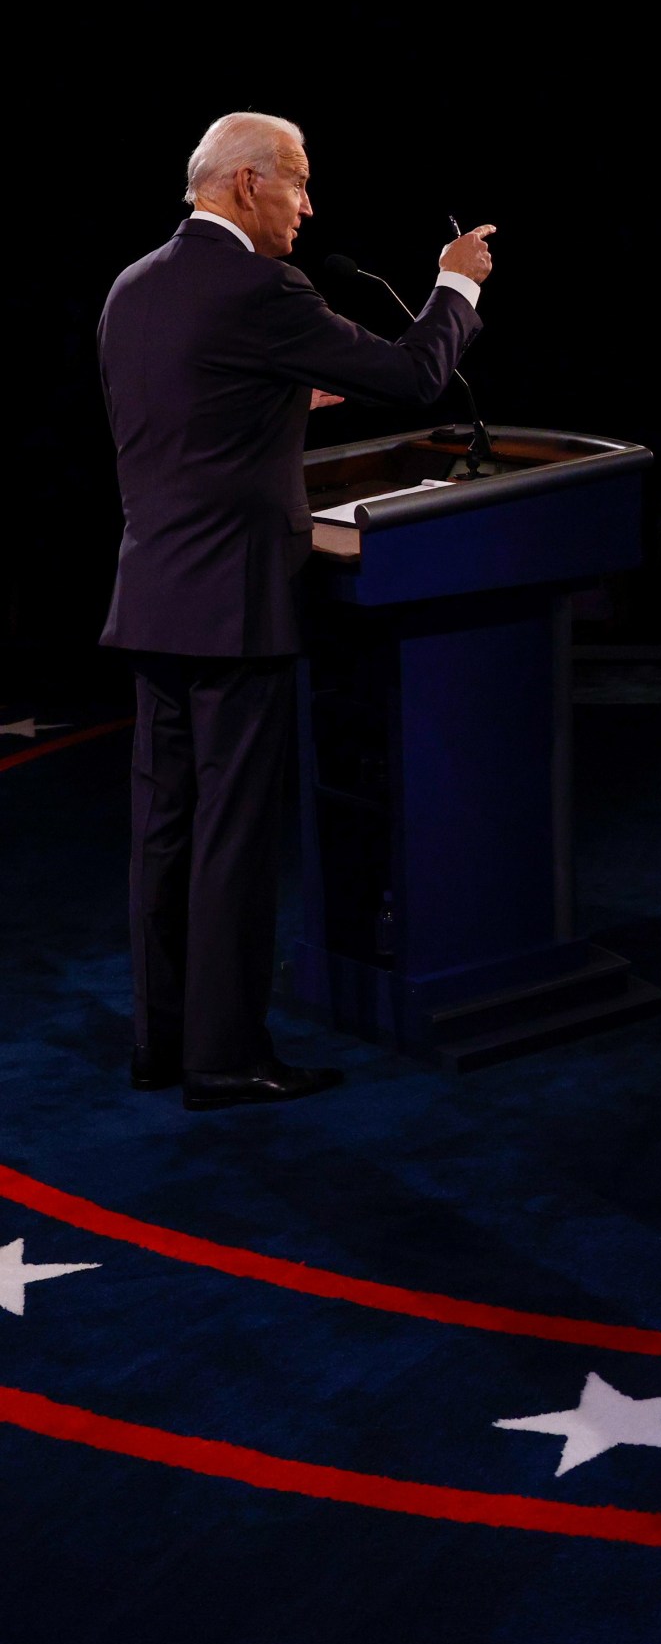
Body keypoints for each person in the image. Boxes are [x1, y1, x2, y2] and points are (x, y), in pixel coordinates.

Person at [97, 112, 495, 1112]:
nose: (308, 208)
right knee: (231, 837)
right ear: (244, 186)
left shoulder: (133, 286)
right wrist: (456, 282)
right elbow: (416, 374)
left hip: (153, 595)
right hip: (234, 605)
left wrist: (279, 399)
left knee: (165, 832)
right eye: (299, 185)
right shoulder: (262, 286)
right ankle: (226, 1059)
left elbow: (184, 414)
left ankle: (165, 1042)